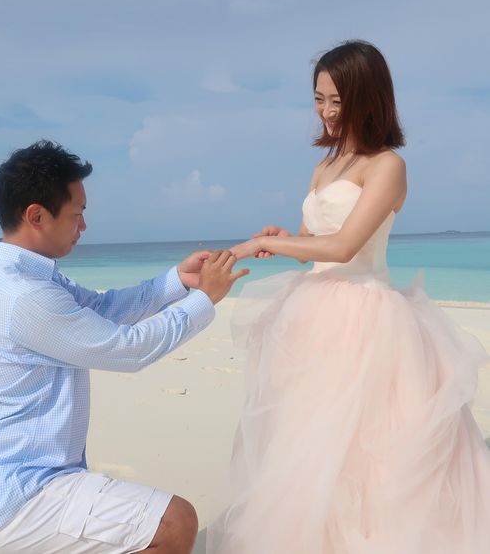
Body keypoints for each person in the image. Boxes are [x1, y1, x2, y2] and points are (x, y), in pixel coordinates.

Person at [206, 41, 490, 553]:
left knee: (373, 448)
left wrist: (263, 244)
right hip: (313, 314)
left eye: (338, 100)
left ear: (369, 97)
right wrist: (285, 237)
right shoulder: (326, 165)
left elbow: (344, 246)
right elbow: (312, 247)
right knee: (312, 442)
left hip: (369, 316)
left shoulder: (387, 166)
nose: (327, 112)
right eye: (319, 99)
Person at [0, 140, 248, 554]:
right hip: (19, 494)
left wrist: (176, 282)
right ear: (36, 216)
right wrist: (204, 300)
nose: (84, 226)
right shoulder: (22, 295)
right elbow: (126, 349)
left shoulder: (23, 275)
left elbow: (101, 308)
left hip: (14, 477)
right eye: (76, 214)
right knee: (175, 522)